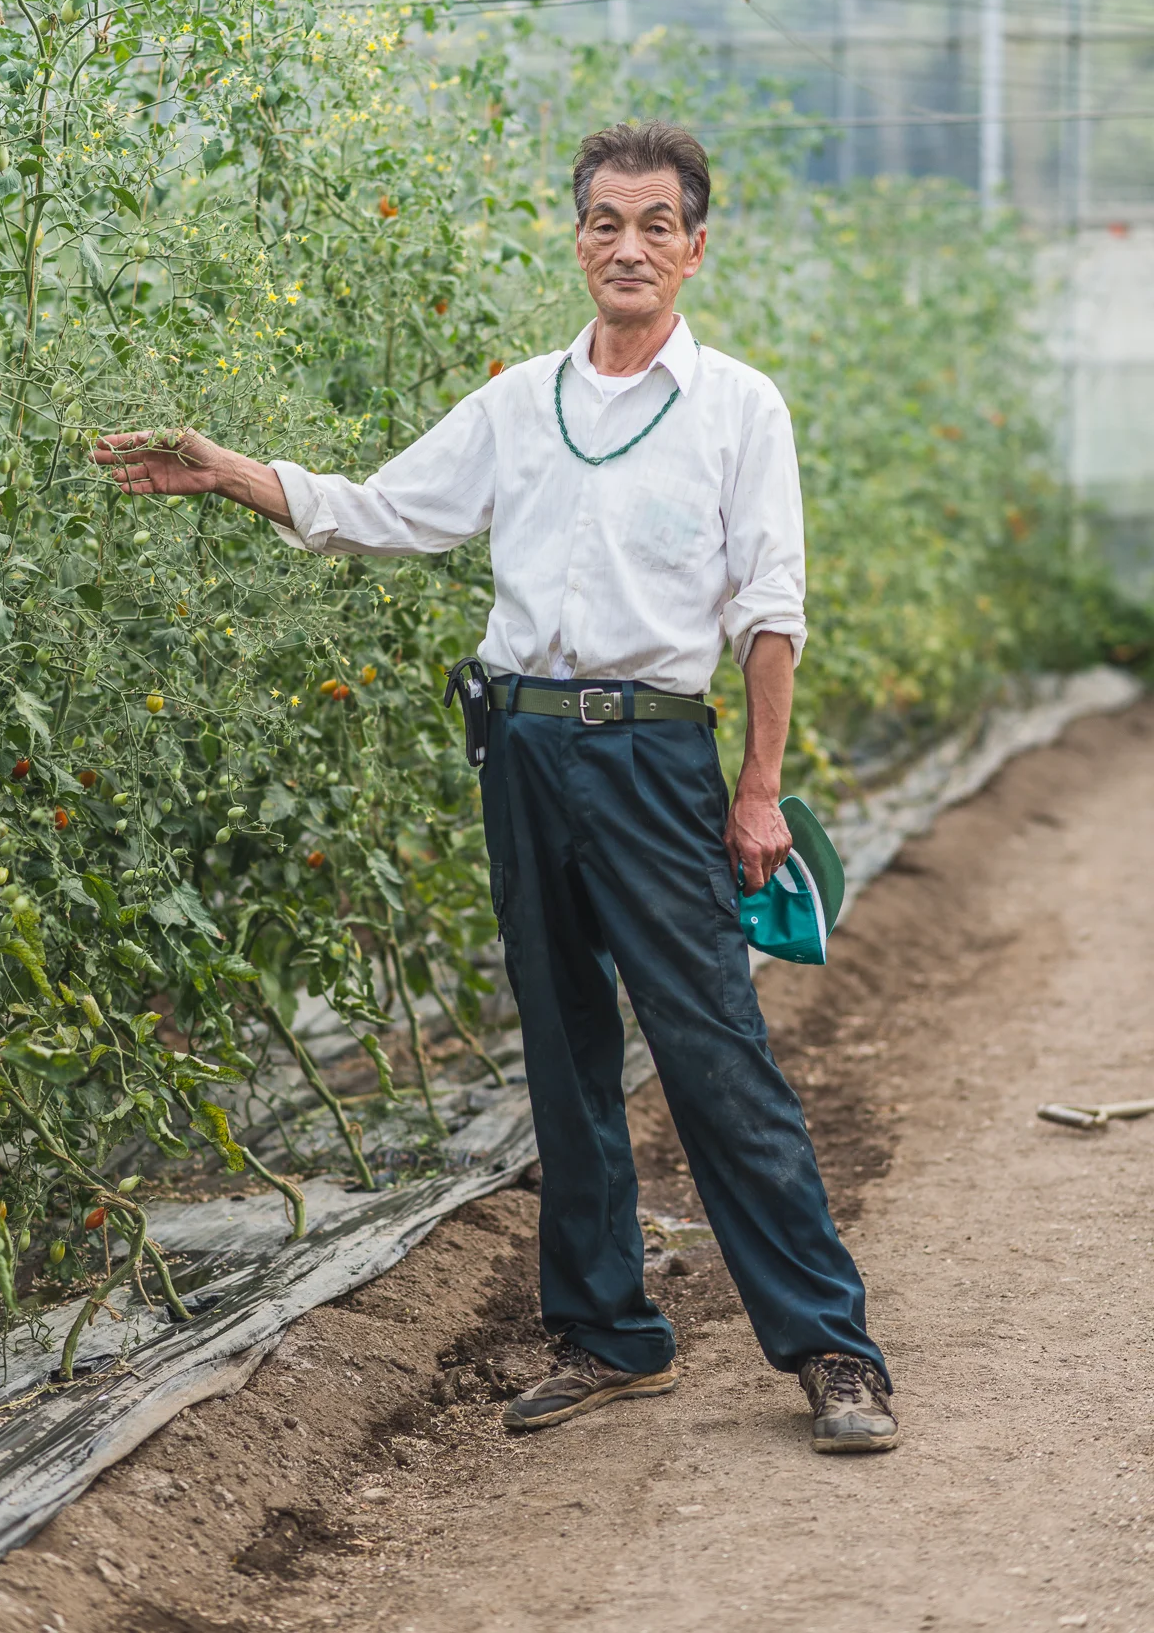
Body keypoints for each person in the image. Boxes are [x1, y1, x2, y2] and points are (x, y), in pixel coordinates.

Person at [93, 120, 898, 1456]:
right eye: (604, 222)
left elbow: (771, 611)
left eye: (655, 224)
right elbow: (384, 507)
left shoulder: (739, 408)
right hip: (521, 749)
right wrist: (232, 474)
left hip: (652, 753)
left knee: (712, 1051)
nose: (627, 246)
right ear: (576, 239)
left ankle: (831, 1347)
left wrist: (758, 788)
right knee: (565, 1046)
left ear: (696, 248)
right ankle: (608, 1330)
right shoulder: (522, 403)